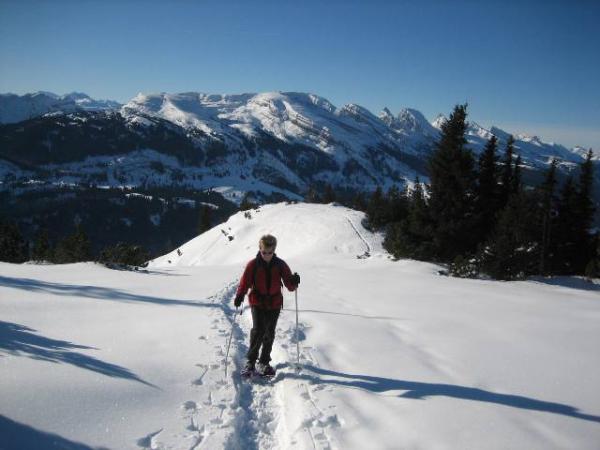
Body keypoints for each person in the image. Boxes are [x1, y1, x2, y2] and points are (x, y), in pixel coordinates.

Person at [234, 234, 300, 376]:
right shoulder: (253, 265)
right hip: (257, 301)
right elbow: (245, 282)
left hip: (274, 303)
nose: (267, 256)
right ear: (260, 249)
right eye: (264, 252)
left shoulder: (280, 265)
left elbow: (289, 285)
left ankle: (264, 362)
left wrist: (294, 281)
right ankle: (250, 362)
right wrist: (240, 295)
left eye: (270, 252)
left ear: (274, 250)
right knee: (258, 330)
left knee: (269, 332)